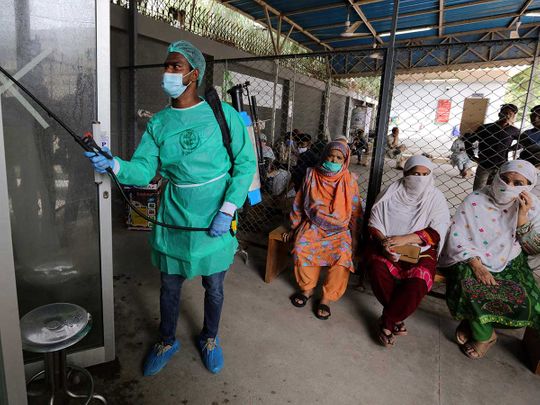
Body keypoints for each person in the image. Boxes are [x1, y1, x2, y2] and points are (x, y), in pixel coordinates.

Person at [85, 41, 256, 375]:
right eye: (167, 66)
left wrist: (228, 208)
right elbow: (144, 169)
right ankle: (166, 339)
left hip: (216, 210)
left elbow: (246, 163)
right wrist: (115, 165)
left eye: (176, 66)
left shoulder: (222, 113)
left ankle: (210, 337)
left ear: (195, 73)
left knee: (215, 287)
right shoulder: (160, 123)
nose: (169, 72)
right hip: (175, 213)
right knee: (169, 286)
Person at [440, 160, 540, 359]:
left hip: (510, 259)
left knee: (529, 300)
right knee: (469, 285)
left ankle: (472, 321)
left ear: (528, 186)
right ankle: (485, 335)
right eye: (505, 179)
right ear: (496, 177)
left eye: (518, 183)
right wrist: (477, 265)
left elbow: (533, 249)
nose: (508, 186)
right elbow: (457, 235)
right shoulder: (476, 199)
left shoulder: (534, 206)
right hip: (471, 256)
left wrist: (522, 217)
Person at [368, 155, 450, 347]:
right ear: (405, 174)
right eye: (415, 174)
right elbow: (374, 222)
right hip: (386, 243)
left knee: (419, 281)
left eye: (424, 174)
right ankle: (396, 318)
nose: (420, 178)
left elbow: (437, 231)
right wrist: (385, 242)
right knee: (377, 269)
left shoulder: (435, 197)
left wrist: (404, 239)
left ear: (431, 176)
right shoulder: (391, 193)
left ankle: (388, 320)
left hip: (421, 248)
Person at [282, 141, 362, 320]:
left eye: (339, 157)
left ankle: (326, 298)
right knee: (301, 247)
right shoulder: (311, 174)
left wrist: (355, 238)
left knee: (342, 257)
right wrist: (294, 227)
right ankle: (307, 289)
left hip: (340, 230)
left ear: (345, 160)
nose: (333, 159)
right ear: (324, 155)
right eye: (330, 155)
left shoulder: (349, 180)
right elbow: (299, 202)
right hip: (314, 225)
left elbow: (356, 211)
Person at [464, 103, 520, 191]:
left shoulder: (513, 131)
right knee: (478, 189)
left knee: (497, 190)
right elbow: (468, 140)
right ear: (499, 113)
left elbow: (523, 142)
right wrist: (472, 156)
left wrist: (511, 149)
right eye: (505, 113)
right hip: (484, 164)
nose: (507, 116)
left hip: (501, 165)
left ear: (513, 116)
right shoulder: (486, 128)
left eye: (510, 114)